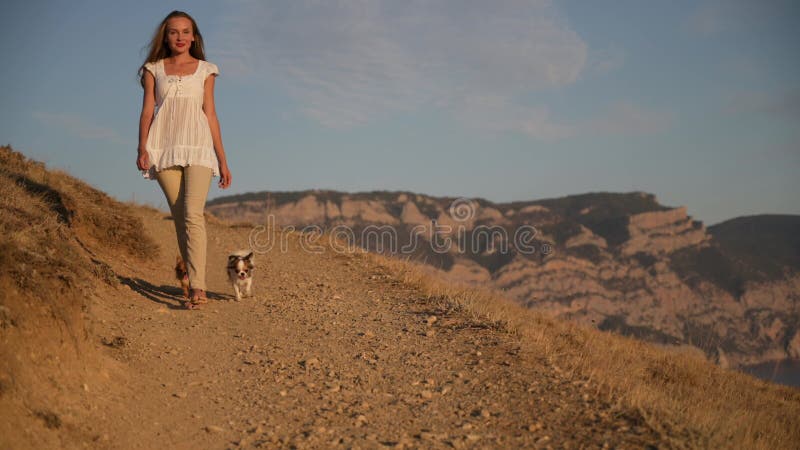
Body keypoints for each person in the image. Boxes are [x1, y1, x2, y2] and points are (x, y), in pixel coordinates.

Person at [136, 10, 232, 309]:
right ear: (166, 36)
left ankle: (198, 288)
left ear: (194, 37)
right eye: (174, 32)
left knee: (192, 214)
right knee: (180, 219)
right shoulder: (153, 69)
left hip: (199, 147)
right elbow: (148, 112)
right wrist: (142, 148)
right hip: (163, 148)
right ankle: (191, 279)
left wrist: (223, 160)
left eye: (185, 31)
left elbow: (211, 114)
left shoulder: (206, 70)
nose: (180, 37)